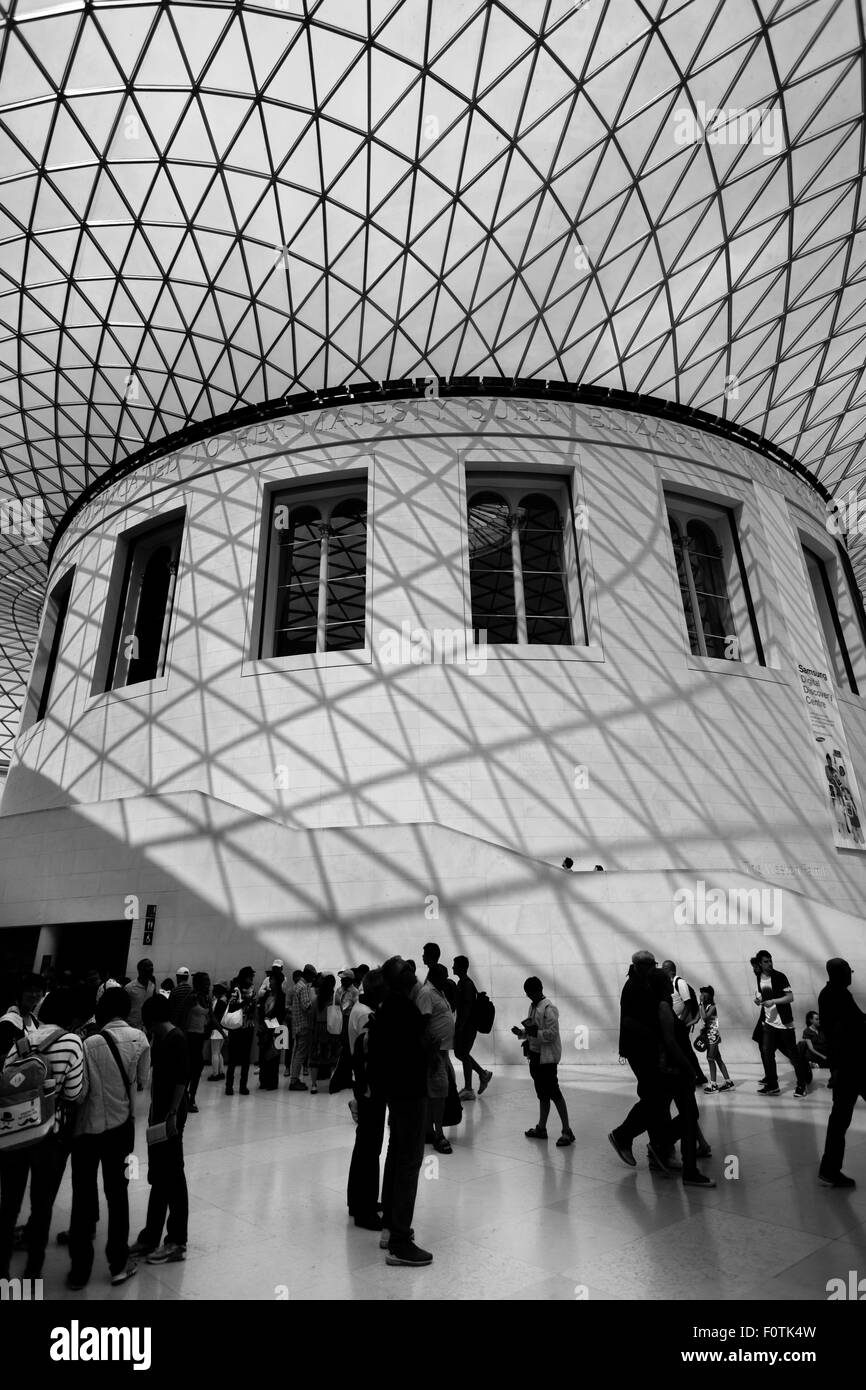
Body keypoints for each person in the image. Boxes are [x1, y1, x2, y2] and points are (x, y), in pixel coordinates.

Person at [67, 988, 150, 1289]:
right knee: (118, 1195)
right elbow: (142, 1081)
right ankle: (118, 1263)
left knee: (82, 1195)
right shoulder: (140, 1039)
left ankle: (79, 1271)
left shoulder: (87, 1042)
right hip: (120, 1129)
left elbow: (79, 1091)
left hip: (86, 1130)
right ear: (127, 1010)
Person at [0, 1015, 84, 1281]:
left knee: (9, 1205)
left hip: (13, 1137)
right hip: (47, 1136)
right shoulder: (71, 1042)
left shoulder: (21, 1043)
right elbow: (73, 1094)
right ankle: (32, 1272)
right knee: (41, 1206)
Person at [369, 956, 432, 1266]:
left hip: (397, 1096)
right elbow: (417, 1053)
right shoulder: (406, 1011)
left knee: (396, 1157)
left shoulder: (387, 1009)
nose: (414, 973)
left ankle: (390, 1227)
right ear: (405, 979)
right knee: (408, 1162)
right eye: (409, 970)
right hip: (410, 1096)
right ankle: (400, 1241)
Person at [130, 993, 190, 1263]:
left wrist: (172, 1114)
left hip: (170, 1116)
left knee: (173, 1176)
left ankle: (176, 1241)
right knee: (159, 1175)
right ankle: (150, 1236)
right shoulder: (162, 1038)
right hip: (160, 1114)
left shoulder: (176, 1038)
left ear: (151, 1019)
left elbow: (181, 1079)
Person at [649, 969, 715, 1188]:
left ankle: (675, 1155)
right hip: (675, 1070)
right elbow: (671, 1043)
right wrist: (689, 1068)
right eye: (668, 984)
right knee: (689, 1114)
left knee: (688, 1114)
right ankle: (684, 1165)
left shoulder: (661, 1006)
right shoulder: (664, 1007)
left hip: (672, 1070)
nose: (672, 987)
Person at [608, 950, 673, 1168]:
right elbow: (630, 1021)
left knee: (654, 1097)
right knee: (656, 1097)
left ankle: (659, 1148)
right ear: (643, 966)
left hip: (639, 1050)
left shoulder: (638, 982)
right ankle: (624, 1135)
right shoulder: (638, 985)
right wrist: (656, 1037)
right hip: (642, 1051)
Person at [818, 958, 866, 1188]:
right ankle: (829, 1169)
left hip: (849, 1066)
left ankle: (829, 1169)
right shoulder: (836, 995)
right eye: (848, 971)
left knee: (839, 1120)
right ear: (838, 973)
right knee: (839, 1120)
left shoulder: (833, 993)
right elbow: (852, 1027)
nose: (850, 974)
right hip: (852, 1067)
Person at [346, 968, 387, 1230]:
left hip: (366, 1085)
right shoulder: (365, 1015)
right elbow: (367, 1054)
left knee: (366, 1145)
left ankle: (359, 1201)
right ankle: (365, 1208)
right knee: (369, 1147)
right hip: (369, 1086)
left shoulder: (362, 1010)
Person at [512, 977, 575, 1146]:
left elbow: (551, 1034)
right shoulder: (534, 1007)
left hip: (546, 1059)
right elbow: (535, 1029)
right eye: (528, 994)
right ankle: (541, 1127)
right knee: (543, 1094)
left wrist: (532, 1034)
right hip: (535, 1056)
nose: (529, 997)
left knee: (554, 1093)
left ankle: (567, 1130)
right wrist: (522, 1032)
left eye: (530, 993)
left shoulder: (549, 1008)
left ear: (538, 990)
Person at [752, 949, 811, 1097]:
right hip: (769, 1023)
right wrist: (760, 1000)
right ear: (760, 963)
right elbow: (765, 996)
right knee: (767, 1054)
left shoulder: (780, 976)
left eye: (770, 960)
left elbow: (790, 997)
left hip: (784, 1023)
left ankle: (801, 1085)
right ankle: (773, 1086)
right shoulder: (759, 976)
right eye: (766, 961)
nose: (770, 963)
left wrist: (773, 1001)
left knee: (793, 1054)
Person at [424, 963, 458, 1154]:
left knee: (438, 1091)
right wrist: (431, 1046)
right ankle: (438, 1133)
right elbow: (423, 1022)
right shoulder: (428, 993)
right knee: (438, 1092)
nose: (447, 979)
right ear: (437, 976)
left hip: (441, 1051)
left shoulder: (438, 992)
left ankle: (431, 1130)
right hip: (434, 1052)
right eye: (444, 976)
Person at [451, 955, 492, 1100]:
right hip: (466, 1025)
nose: (452, 967)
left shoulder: (466, 984)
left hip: (467, 1026)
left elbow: (467, 1006)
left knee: (462, 1053)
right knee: (461, 1053)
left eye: (454, 965)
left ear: (461, 967)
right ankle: (482, 1075)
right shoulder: (463, 983)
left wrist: (461, 1025)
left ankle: (470, 1086)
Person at [661, 960, 707, 1085]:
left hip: (681, 1023)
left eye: (664, 968)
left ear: (670, 970)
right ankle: (695, 1075)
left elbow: (688, 1003)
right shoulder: (669, 984)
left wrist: (680, 1022)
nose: (662, 971)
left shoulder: (679, 982)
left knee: (686, 1049)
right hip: (675, 1023)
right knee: (683, 1049)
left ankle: (697, 1075)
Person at [224, 967, 256, 1096]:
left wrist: (252, 1005)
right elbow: (231, 1007)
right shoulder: (235, 989)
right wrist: (245, 1002)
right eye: (250, 977)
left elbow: (253, 1006)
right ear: (244, 977)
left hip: (248, 1026)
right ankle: (229, 1086)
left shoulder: (252, 988)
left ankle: (243, 1086)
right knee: (232, 1058)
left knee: (245, 1059)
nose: (251, 979)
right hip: (236, 1028)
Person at [183, 973, 212, 1112]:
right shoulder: (192, 998)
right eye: (206, 982)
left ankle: (191, 1097)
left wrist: (224, 1034)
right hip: (189, 1037)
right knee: (190, 1070)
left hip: (200, 1038)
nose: (209, 984)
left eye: (209, 982)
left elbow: (211, 1018)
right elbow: (182, 1018)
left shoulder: (207, 998)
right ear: (198, 983)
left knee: (197, 1070)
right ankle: (185, 1098)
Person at [308, 974, 341, 1094]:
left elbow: (312, 1015)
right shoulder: (335, 998)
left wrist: (312, 1031)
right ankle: (332, 1083)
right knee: (332, 1058)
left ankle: (313, 1085)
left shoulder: (317, 999)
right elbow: (340, 1013)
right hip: (331, 1030)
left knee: (315, 1058)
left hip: (318, 1029)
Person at [698, 986, 733, 1093]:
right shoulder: (704, 1006)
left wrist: (700, 1004)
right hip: (708, 1035)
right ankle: (728, 1082)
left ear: (710, 995)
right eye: (702, 993)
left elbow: (704, 1017)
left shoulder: (712, 1007)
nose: (702, 995)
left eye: (705, 993)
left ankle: (713, 1085)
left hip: (713, 1036)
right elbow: (697, 1017)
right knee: (718, 1058)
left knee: (710, 1059)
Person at [0, 972, 44, 1056]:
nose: (34, 995)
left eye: (38, 991)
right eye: (30, 990)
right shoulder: (9, 1021)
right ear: (20, 992)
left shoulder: (35, 1020)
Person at [257, 966, 286, 1091]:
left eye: (272, 980)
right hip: (266, 1028)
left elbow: (280, 1015)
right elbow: (261, 1010)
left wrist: (268, 1025)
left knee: (274, 1057)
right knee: (263, 1056)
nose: (270, 982)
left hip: (277, 1029)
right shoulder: (267, 995)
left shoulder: (281, 997)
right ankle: (263, 1081)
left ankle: (272, 1082)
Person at [288, 964, 316, 1091]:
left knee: (296, 1053)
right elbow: (307, 1007)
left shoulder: (296, 986)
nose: (313, 979)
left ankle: (294, 1078)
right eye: (313, 976)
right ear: (308, 974)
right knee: (300, 1054)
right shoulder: (304, 987)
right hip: (304, 1025)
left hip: (297, 1025)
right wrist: (316, 1003)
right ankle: (294, 1081)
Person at [421, 943, 458, 1010]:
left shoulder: (435, 973)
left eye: (424, 954)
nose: (422, 956)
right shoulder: (435, 970)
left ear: (430, 956)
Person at [124, 959, 156, 1033]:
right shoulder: (129, 987)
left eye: (152, 966)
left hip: (147, 1028)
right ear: (140, 969)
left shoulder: (152, 986)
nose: (151, 968)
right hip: (131, 1027)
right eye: (148, 966)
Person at [798, 1010, 830, 1084]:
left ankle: (817, 1065)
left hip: (824, 1051)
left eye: (819, 1019)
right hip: (814, 1053)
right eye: (816, 1019)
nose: (819, 1021)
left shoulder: (821, 1029)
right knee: (827, 1060)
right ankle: (814, 1064)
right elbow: (811, 1048)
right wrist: (822, 1056)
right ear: (811, 1020)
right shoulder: (807, 1031)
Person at [207, 983, 229, 1081]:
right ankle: (221, 1072)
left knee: (215, 1052)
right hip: (224, 1029)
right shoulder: (225, 1001)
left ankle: (215, 1074)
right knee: (219, 1052)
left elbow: (214, 1017)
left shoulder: (218, 1002)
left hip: (216, 1029)